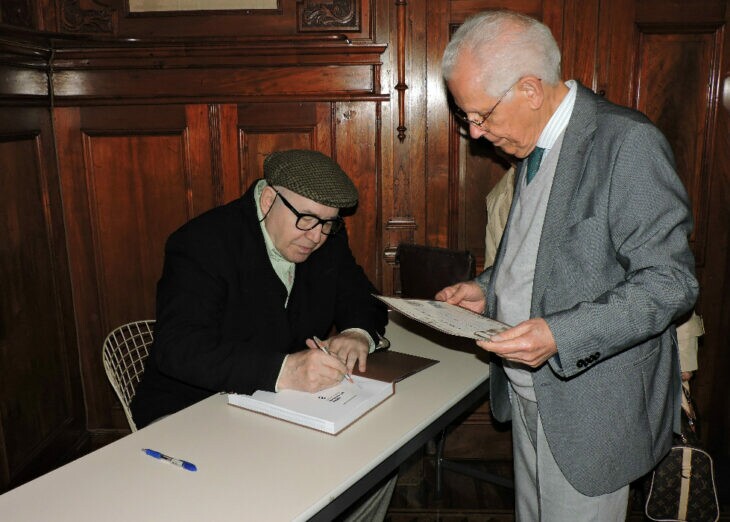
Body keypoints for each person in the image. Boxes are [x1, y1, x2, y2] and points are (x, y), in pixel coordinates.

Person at [436, 10, 698, 521]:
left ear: (530, 90)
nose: (473, 133)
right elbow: (544, 255)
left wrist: (561, 334)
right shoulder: (531, 145)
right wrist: (486, 289)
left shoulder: (625, 143)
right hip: (531, 393)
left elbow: (671, 282)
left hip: (592, 411)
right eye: (466, 116)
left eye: (481, 115)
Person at [131, 149, 395, 520]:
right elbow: (178, 348)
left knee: (376, 466)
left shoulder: (324, 236)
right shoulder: (203, 243)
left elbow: (361, 297)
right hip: (195, 408)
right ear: (270, 199)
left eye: (328, 224)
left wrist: (356, 332)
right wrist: (283, 370)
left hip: (281, 410)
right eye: (307, 220)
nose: (317, 236)